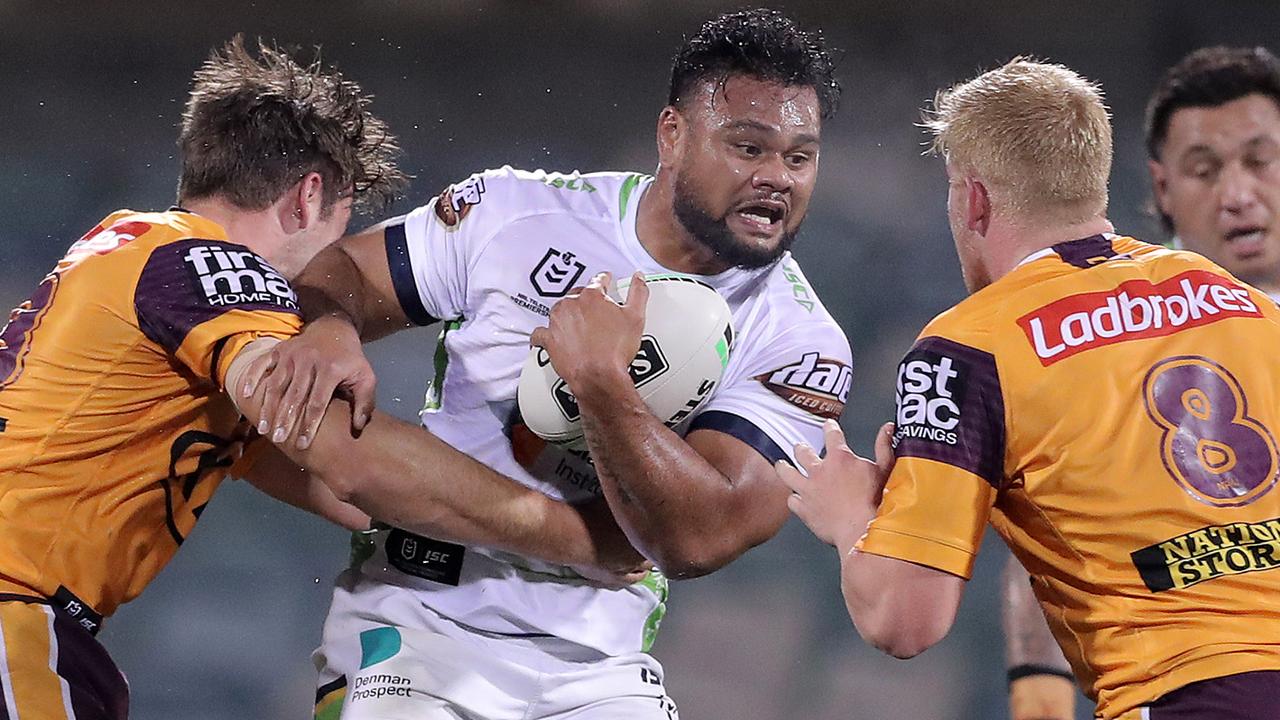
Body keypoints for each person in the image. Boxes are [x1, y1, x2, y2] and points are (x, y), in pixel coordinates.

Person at [0, 37, 643, 720]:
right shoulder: (213, 267)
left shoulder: (124, 250)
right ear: (308, 198)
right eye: (342, 223)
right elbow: (345, 451)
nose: (331, 259)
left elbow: (354, 492)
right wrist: (577, 534)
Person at [248, 8, 851, 720]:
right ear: (672, 135)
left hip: (601, 665)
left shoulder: (800, 341)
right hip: (418, 625)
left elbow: (701, 539)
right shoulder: (519, 213)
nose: (776, 178)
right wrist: (330, 327)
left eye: (798, 157)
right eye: (748, 148)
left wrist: (602, 385)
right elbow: (340, 272)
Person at [780, 58, 1280, 720]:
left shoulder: (966, 349)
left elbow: (905, 621)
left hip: (1189, 695)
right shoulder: (1241, 301)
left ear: (973, 199)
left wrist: (849, 516)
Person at [999, 44, 1280, 720]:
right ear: (1162, 189)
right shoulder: (1108, 338)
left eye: (1260, 161)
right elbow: (1053, 525)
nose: (1238, 194)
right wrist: (1040, 700)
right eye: (1204, 169)